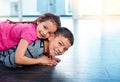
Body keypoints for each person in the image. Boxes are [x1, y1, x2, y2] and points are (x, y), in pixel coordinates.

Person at [0, 27, 74, 68]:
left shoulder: (40, 40)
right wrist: (39, 61)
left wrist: (47, 55)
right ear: (51, 36)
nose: (61, 50)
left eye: (65, 49)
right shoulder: (35, 49)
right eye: (60, 43)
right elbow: (7, 62)